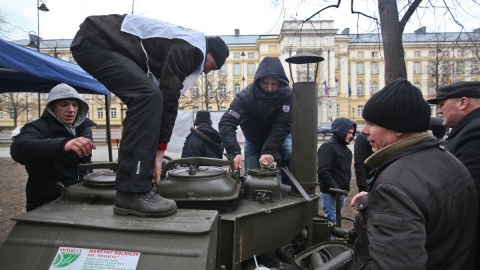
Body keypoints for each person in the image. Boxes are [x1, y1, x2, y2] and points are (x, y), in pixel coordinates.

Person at [70, 14, 229, 218]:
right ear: (210, 52)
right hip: (96, 40)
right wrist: (160, 151)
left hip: (97, 40)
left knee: (147, 98)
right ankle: (132, 192)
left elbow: (161, 101)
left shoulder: (184, 42)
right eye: (212, 66)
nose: (207, 72)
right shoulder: (193, 49)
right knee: (148, 97)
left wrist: (154, 151)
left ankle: (131, 181)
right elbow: (169, 96)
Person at [350, 78, 477, 270]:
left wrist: (386, 200)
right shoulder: (445, 159)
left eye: (371, 124)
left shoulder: (393, 186)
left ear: (398, 128)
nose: (364, 131)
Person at [10, 83, 97, 212]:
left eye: (75, 104)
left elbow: (85, 163)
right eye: (64, 104)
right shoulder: (36, 127)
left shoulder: (84, 129)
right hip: (46, 203)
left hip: (80, 198)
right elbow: (19, 149)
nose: (71, 109)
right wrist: (63, 145)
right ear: (52, 107)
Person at [427, 81, 480, 268]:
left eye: (442, 105)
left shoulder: (475, 131)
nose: (439, 111)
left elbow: (467, 192)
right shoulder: (468, 128)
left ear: (463, 103)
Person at [218, 56, 292, 185]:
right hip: (253, 139)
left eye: (274, 84)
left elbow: (283, 124)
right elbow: (227, 122)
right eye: (266, 83)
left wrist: (268, 151)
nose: (269, 87)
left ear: (280, 83)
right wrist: (234, 152)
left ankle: (287, 187)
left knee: (291, 155)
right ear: (259, 80)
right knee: (250, 175)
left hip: (279, 137)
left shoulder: (286, 95)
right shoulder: (245, 96)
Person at [317, 117, 356, 224]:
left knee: (336, 220)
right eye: (349, 132)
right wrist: (334, 189)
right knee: (331, 222)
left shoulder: (346, 150)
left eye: (352, 133)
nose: (351, 136)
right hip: (331, 193)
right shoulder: (328, 147)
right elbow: (323, 171)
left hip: (340, 192)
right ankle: (332, 240)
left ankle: (335, 239)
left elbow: (344, 172)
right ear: (341, 130)